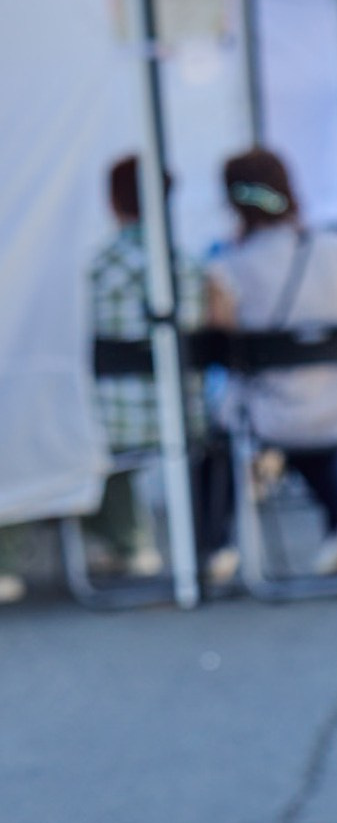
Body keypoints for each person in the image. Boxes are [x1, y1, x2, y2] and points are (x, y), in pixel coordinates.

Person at [204, 148, 337, 576]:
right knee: (309, 411)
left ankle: (215, 545)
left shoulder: (228, 266)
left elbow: (221, 339)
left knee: (248, 418)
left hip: (279, 412)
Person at [81, 154, 217, 580]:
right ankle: (214, 542)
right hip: (185, 415)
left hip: (113, 424)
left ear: (112, 200)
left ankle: (128, 541)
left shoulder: (97, 266)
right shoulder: (190, 266)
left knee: (77, 431)